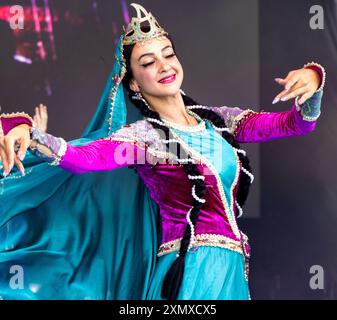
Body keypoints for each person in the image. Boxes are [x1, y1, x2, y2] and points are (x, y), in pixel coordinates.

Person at [0, 3, 325, 300]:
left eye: (168, 54)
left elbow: (296, 124)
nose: (164, 66)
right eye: (148, 62)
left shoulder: (218, 122)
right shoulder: (144, 139)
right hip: (191, 271)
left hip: (232, 268)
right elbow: (82, 160)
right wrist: (30, 133)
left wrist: (313, 81)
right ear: (134, 84)